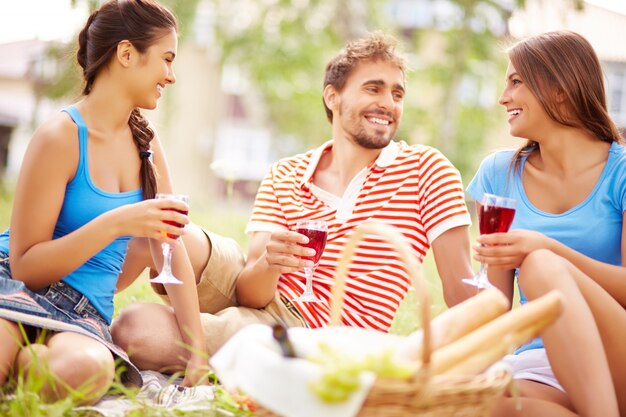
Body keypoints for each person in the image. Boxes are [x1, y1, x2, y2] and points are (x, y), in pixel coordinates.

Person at [111, 31, 475, 371]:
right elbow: (248, 292)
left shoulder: (428, 169)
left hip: (307, 334)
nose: (388, 104)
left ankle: (213, 347)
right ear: (333, 96)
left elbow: (461, 291)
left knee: (135, 332)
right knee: (162, 231)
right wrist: (272, 263)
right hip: (256, 290)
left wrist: (478, 356)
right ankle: (71, 311)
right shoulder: (286, 173)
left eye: (397, 94)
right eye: (373, 89)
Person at [0, 0, 208, 405]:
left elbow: (171, 246)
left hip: (82, 313)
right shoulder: (60, 136)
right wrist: (118, 222)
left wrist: (197, 354)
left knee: (86, 372)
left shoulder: (146, 145)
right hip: (15, 287)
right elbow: (27, 267)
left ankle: (23, 367)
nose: (172, 75)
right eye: (166, 59)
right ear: (127, 54)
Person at [467, 31, 625, 416]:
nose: (503, 97)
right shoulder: (499, 173)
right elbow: (496, 304)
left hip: (616, 353)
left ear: (560, 89)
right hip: (540, 363)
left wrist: (548, 248)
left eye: (516, 81)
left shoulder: (620, 173)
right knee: (481, 406)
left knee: (541, 265)